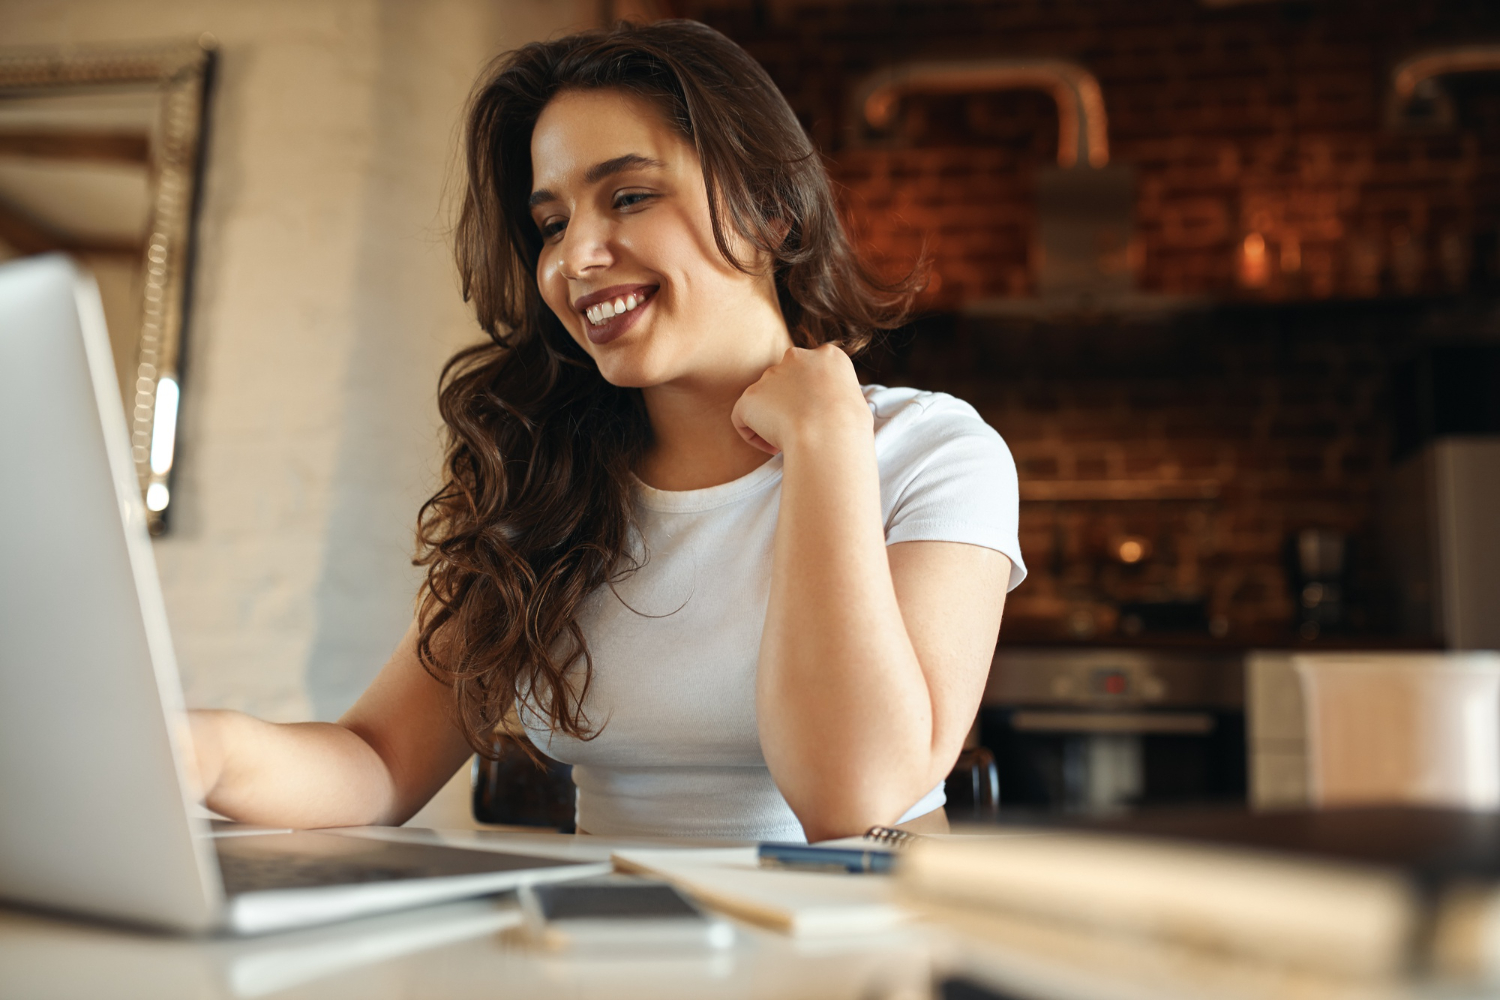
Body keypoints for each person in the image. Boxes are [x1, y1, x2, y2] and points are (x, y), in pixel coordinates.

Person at [188, 19, 1025, 844]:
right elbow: (377, 760)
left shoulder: (933, 454)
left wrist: (828, 441)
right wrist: (209, 751)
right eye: (551, 223)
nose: (575, 257)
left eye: (629, 196)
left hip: (859, 964)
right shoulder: (545, 482)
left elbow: (857, 802)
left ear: (771, 210)